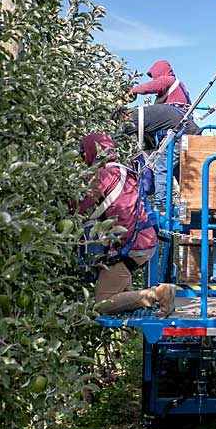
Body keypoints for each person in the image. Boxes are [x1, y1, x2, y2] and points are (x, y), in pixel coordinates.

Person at [76, 133, 173, 315]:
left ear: (92, 151)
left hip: (131, 245)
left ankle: (159, 294)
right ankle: (160, 299)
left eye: (83, 154)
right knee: (124, 296)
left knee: (102, 303)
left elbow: (77, 207)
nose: (82, 160)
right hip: (142, 239)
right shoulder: (121, 170)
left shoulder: (103, 174)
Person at [115, 102, 201, 209]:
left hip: (182, 134)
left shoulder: (134, 119)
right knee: (177, 170)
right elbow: (150, 147)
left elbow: (115, 139)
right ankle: (193, 203)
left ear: (124, 116)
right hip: (189, 131)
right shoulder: (143, 114)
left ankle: (162, 205)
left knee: (162, 166)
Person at [125, 59, 191, 111]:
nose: (154, 78)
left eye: (154, 75)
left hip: (173, 112)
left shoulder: (167, 79)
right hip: (182, 115)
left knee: (139, 115)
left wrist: (133, 90)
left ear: (159, 71)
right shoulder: (179, 84)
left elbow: (150, 87)